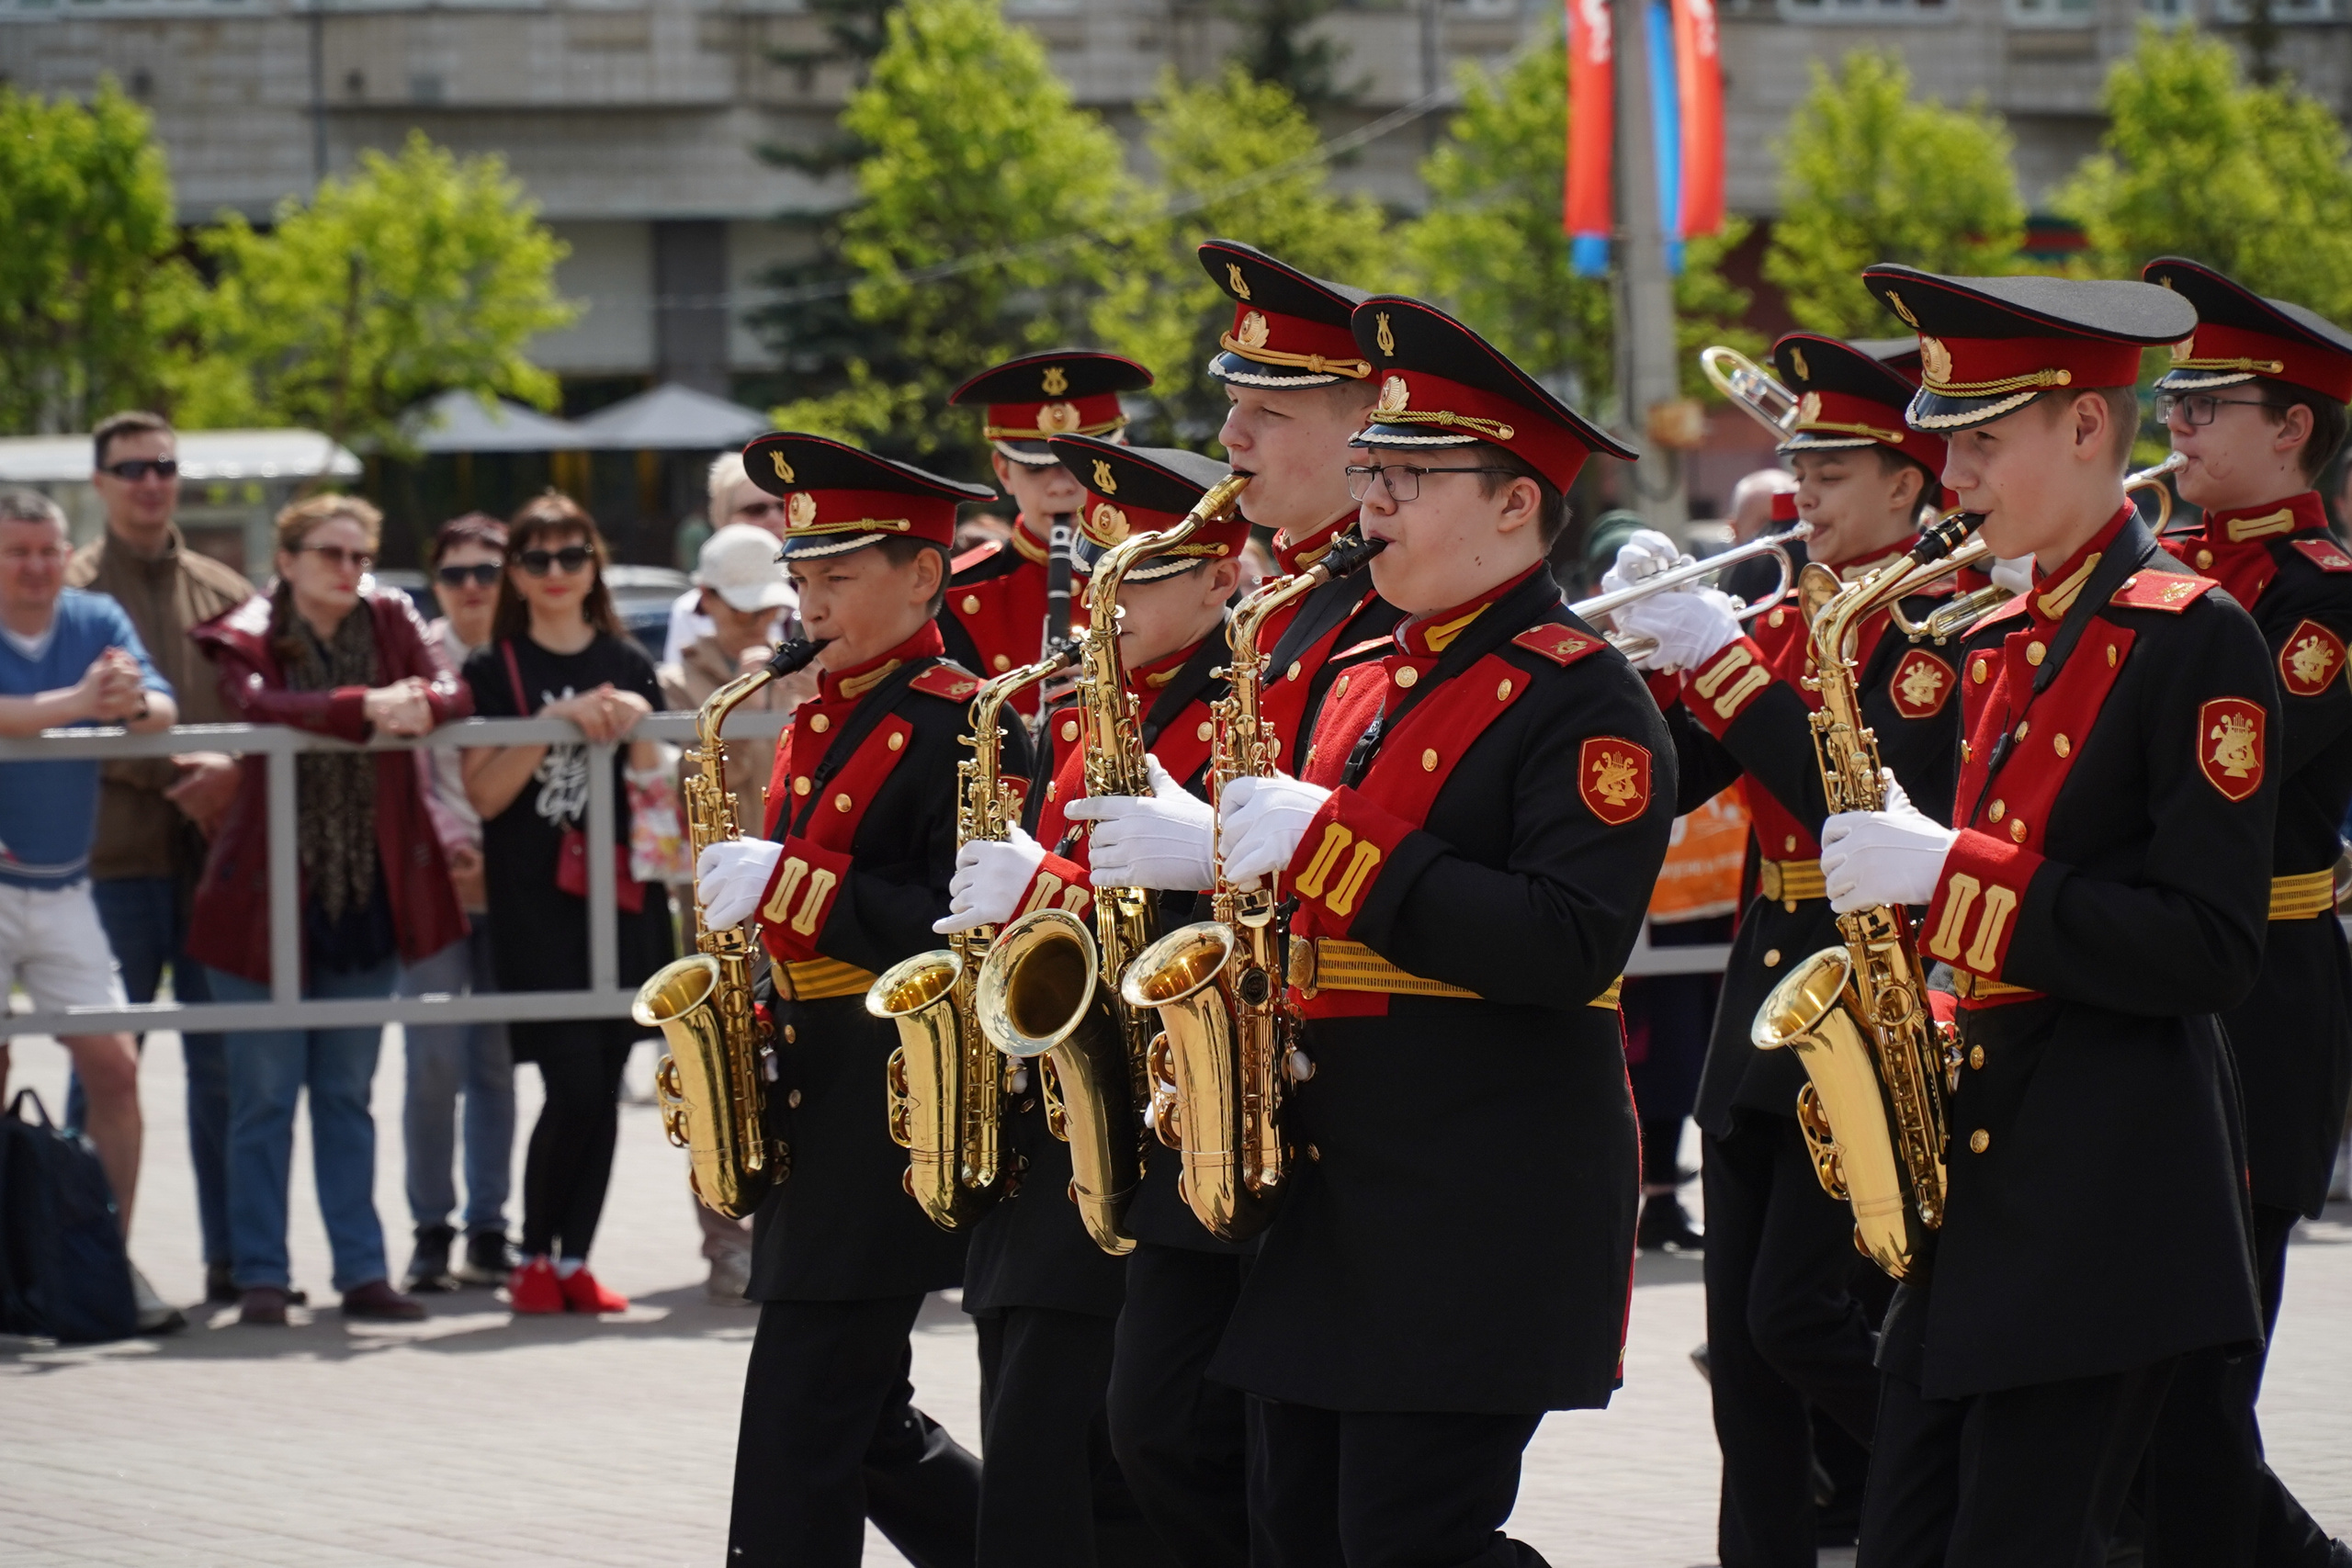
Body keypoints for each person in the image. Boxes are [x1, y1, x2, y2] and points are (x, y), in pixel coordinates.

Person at [1198, 293, 1672, 1566]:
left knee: (1407, 1537)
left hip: (1477, 1196)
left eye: (1407, 477)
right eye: (1370, 472)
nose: (1372, 506)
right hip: (1337, 1183)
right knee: (1295, 1528)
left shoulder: (1587, 697)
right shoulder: (1367, 670)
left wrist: (1331, 844)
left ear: (1515, 502)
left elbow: (1566, 938)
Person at [1815, 265, 2272, 1563]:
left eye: (1980, 439)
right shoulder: (2001, 628)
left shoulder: (2196, 634)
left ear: (2085, 427)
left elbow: (2211, 944)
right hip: (1982, 1175)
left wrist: (1948, 872)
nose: (1950, 472)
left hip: (2104, 1192)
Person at [1009, 241, 1398, 1568]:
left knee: (1268, 1462)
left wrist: (1210, 852)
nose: (1226, 437)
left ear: (1366, 427)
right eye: (1233, 404)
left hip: (1339, 1069)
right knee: (1170, 1426)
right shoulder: (1287, 603)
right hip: (1226, 1065)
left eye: (1265, 410)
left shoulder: (1386, 597)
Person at [1610, 332, 1964, 1565]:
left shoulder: (1930, 626)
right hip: (1771, 963)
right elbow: (1682, 778)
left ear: (1908, 482)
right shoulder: (1795, 607)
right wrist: (1638, 668)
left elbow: (1849, 806)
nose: (1798, 484)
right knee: (1741, 1342)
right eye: (1796, 460)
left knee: (1799, 1314)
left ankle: (1956, 1484)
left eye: (1830, 465)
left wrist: (1720, 659)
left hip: (1866, 975)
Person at [691, 432, 1011, 1568]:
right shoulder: (818, 707)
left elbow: (960, 917)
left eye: (837, 578)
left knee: (804, 1393)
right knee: (858, 1415)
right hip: (815, 1068)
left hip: (897, 1081)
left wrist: (793, 883)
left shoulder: (967, 718)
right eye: (801, 578)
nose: (809, 604)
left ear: (923, 576)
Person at [935, 434, 1251, 1568]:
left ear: (1223, 577)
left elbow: (1232, 923)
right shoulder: (1073, 705)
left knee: (1114, 1453)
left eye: (1140, 574)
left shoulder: (1241, 704)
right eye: (1096, 570)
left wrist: (1047, 884)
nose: (1102, 602)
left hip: (1166, 1107)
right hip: (1061, 1113)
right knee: (1042, 1444)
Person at [2132, 258, 2352, 1568]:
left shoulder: (2321, 594)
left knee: (2211, 1344)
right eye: (2176, 400)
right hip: (2149, 970)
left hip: (2262, 976)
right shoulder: (2161, 572)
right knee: (2142, 1336)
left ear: (2293, 430)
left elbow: (2226, 761)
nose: (2177, 427)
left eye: (2209, 404)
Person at [188, 494, 471, 1327]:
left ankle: (362, 1271)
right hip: (257, 900)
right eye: (328, 553)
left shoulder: (390, 616)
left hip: (367, 894)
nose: (347, 569)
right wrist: (362, 707)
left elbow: (454, 686)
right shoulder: (248, 626)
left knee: (347, 1091)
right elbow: (253, 702)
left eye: (359, 554)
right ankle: (262, 1276)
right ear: (287, 558)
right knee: (263, 1095)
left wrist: (419, 694)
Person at [461, 491, 673, 1317]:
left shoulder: (626, 659)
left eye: (572, 555)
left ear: (595, 566)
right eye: (537, 559)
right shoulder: (492, 668)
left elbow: (658, 789)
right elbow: (483, 795)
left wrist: (639, 722)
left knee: (607, 1077)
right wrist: (551, 722)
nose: (556, 574)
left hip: (623, 899)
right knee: (573, 1085)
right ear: (515, 572)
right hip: (536, 904)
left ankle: (574, 1258)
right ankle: (531, 1258)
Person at [66, 409, 252, 1308]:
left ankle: (235, 1263)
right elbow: (52, 720)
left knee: (225, 1070)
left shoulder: (224, 589)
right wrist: (174, 762)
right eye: (131, 467)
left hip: (215, 861)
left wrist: (232, 769)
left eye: (164, 466)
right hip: (107, 860)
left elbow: (267, 710)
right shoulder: (62, 591)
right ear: (99, 481)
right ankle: (84, 1261)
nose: (150, 481)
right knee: (105, 1068)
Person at [0, 487, 181, 1329]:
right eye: (16, 551)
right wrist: (77, 704)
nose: (36, 567)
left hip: (65, 885)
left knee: (114, 1069)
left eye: (47, 549)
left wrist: (126, 701)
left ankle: (99, 1264)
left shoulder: (94, 614)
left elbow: (162, 707)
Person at [658, 518, 801, 1305]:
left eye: (765, 609)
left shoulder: (796, 658)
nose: (758, 623)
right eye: (741, 609)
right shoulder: (676, 678)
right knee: (722, 1068)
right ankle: (724, 1242)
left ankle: (787, 1228)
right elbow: (725, 769)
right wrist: (754, 687)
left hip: (790, 889)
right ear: (705, 601)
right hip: (714, 902)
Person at [399, 513, 518, 1293]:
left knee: (498, 1063)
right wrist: (454, 844)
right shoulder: (416, 655)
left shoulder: (521, 652)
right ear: (436, 583)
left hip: (511, 883)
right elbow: (408, 770)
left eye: (487, 571)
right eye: (456, 575)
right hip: (434, 881)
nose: (473, 587)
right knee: (432, 1058)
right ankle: (431, 1227)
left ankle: (488, 1227)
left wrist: (495, 852)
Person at [940, 350, 1155, 716]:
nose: (1061, 487)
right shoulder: (955, 593)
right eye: (1037, 469)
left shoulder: (1174, 571)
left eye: (1081, 465)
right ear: (1004, 471)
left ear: (1120, 456)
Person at [662, 451, 801, 666]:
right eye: (756, 510)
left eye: (784, 506)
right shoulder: (692, 609)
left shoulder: (816, 590)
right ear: (722, 519)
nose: (774, 518)